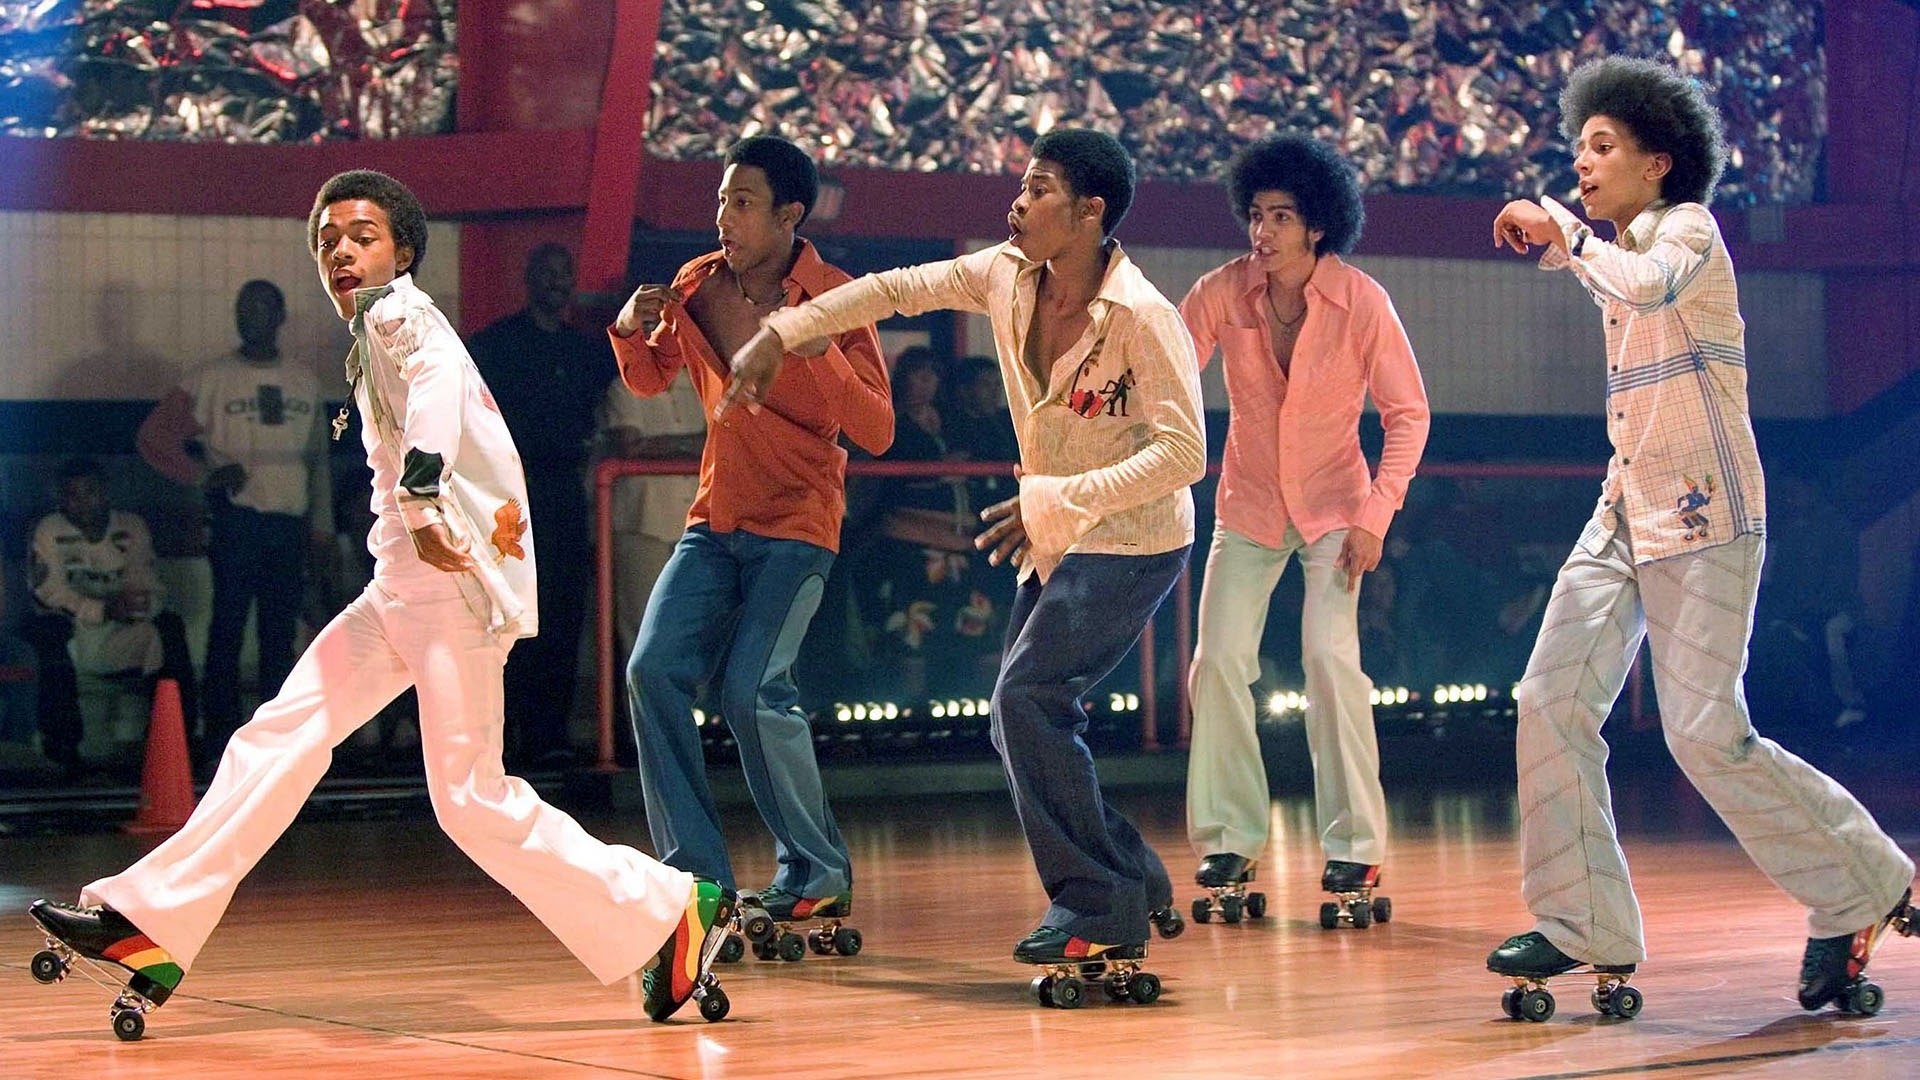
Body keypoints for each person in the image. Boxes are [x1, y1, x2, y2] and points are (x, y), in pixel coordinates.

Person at [29, 169, 733, 1030]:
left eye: (360, 236)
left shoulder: (401, 316)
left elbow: (435, 388)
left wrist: (427, 493)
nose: (340, 253)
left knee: (469, 800)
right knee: (278, 736)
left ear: (402, 251)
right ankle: (147, 920)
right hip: (400, 590)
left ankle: (670, 907)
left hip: (446, 587)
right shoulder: (370, 332)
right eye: (327, 241)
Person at [1485, 56, 1914, 1012]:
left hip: (1708, 511)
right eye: (1577, 149)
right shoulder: (1623, 249)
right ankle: (1577, 922)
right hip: (1625, 508)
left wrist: (1563, 233)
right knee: (1548, 700)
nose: (1583, 165)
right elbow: (1614, 284)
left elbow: (1641, 286)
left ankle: (1863, 884)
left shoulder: (1691, 235)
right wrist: (1562, 243)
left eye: (1602, 148)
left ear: (1660, 162)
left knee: (1706, 734)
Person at [728, 128, 1206, 968]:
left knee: (1026, 701)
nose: (1017, 201)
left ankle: (1100, 901)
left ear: (1091, 212)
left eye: (1041, 187)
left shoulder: (1143, 316)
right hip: (1057, 531)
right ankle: (1128, 871)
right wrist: (787, 330)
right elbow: (894, 290)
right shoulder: (1004, 274)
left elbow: (1185, 454)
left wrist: (1062, 498)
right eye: (1021, 183)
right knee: (1019, 712)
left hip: (1132, 539)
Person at [609, 135, 892, 929]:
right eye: (721, 199)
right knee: (651, 669)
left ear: (789, 216)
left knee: (749, 689)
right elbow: (649, 375)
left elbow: (876, 431)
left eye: (742, 203)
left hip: (799, 526)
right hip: (716, 519)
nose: (723, 217)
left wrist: (818, 341)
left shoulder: (837, 296)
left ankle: (818, 868)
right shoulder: (698, 283)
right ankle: (697, 877)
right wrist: (631, 326)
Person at [1179, 133, 1430, 911]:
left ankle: (1357, 849)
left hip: (1336, 508)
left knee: (1328, 659)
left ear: (1317, 225)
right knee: (1216, 660)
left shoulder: (1361, 301)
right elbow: (1168, 378)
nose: (1265, 232)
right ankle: (1227, 841)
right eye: (1256, 214)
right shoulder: (1222, 290)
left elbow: (1408, 414)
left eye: (1282, 216)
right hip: (1248, 503)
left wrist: (1376, 517)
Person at [138, 279, 333, 763]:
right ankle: (220, 740)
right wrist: (202, 474)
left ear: (281, 315)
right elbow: (153, 437)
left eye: (263, 307)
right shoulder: (209, 378)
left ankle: (276, 743)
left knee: (278, 635)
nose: (252, 316)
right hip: (237, 520)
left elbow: (319, 462)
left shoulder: (305, 382)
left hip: (287, 524)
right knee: (227, 630)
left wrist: (322, 528)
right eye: (244, 308)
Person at [468, 244, 609, 767]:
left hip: (564, 494)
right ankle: (509, 735)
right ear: (528, 279)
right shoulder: (494, 346)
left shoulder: (586, 352)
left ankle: (550, 734)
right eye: (547, 274)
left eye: (565, 274)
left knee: (563, 614)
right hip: (507, 498)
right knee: (512, 616)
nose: (557, 284)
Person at [27, 457, 197, 780]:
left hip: (122, 631)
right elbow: (47, 593)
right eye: (72, 495)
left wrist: (137, 604)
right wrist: (102, 609)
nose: (82, 503)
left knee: (169, 628)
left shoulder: (131, 527)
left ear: (105, 493)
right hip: (75, 633)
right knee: (46, 632)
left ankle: (175, 745)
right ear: (61, 499)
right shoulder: (49, 530)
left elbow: (147, 582)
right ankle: (63, 753)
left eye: (89, 492)